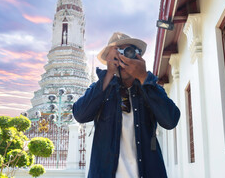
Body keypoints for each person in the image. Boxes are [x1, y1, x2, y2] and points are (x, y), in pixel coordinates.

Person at [73, 32, 180, 178]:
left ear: (138, 57)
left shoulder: (150, 88)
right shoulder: (101, 89)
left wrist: (143, 77)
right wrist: (109, 74)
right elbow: (80, 115)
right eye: (117, 54)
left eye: (128, 52)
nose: (123, 58)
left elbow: (170, 120)